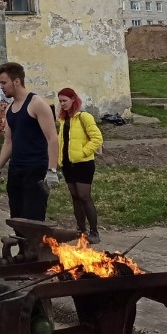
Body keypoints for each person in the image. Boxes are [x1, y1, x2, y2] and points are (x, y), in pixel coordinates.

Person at [0, 62, 60, 221]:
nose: (1, 87)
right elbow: (9, 141)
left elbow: (52, 138)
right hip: (16, 169)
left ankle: (35, 239)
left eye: (4, 82)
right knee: (17, 218)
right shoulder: (9, 109)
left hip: (35, 169)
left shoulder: (37, 104)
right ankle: (21, 239)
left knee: (33, 219)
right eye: (0, 83)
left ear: (16, 81)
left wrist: (52, 170)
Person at [57, 87, 103, 243]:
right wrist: (58, 160)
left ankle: (94, 232)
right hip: (67, 164)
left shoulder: (84, 117)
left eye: (65, 100)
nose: (62, 104)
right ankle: (81, 230)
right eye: (60, 101)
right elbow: (62, 141)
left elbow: (97, 138)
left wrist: (83, 152)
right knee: (75, 197)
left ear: (73, 100)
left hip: (83, 164)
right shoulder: (63, 120)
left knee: (84, 196)